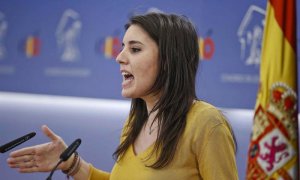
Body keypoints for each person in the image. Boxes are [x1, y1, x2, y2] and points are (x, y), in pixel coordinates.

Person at [7, 12, 238, 179]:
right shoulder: (135, 121)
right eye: (123, 47)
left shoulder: (207, 124)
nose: (119, 57)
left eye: (135, 49)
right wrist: (71, 164)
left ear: (169, 60)